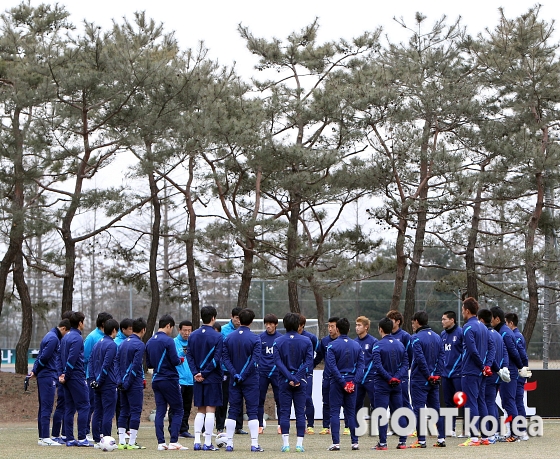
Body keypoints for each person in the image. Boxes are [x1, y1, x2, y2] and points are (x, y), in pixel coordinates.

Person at [222, 308, 263, 452]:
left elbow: (225, 358)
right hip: (250, 379)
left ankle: (229, 444)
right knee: (252, 411)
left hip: (234, 380)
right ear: (251, 321)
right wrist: (244, 374)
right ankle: (254, 444)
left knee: (233, 410)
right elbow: (255, 359)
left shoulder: (229, 337)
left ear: (239, 319)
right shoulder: (255, 338)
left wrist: (235, 374)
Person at [145, 314, 187, 451]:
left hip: (156, 379)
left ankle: (161, 442)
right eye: (172, 328)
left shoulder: (150, 341)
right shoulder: (169, 341)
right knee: (178, 409)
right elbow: (175, 360)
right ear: (168, 325)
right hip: (169, 378)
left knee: (160, 411)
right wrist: (181, 359)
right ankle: (174, 441)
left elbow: (149, 363)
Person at [274, 313, 314, 453]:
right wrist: (297, 377)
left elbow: (278, 362)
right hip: (301, 381)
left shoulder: (278, 341)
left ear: (284, 325)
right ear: (298, 325)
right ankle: (299, 444)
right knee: (300, 413)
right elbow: (309, 361)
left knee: (284, 412)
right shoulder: (306, 341)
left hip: (284, 381)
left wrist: (289, 377)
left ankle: (285, 445)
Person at [187, 306, 223, 451]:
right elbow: (216, 359)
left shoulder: (193, 335)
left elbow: (189, 355)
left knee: (200, 410)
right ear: (213, 318)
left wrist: (196, 373)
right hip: (212, 377)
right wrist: (205, 373)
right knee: (210, 410)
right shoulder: (218, 336)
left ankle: (196, 441)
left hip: (197, 378)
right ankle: (207, 442)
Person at [408, 311, 446, 448]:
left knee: (419, 409)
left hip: (420, 379)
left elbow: (419, 358)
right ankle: (441, 439)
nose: (412, 326)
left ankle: (422, 440)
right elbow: (442, 357)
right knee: (435, 409)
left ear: (417, 322)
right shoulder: (437, 337)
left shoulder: (416, 338)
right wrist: (436, 374)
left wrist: (427, 374)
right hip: (434, 379)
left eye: (412, 323)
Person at [30, 318, 71, 446]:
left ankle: (42, 437)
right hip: (48, 375)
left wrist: (34, 371)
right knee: (47, 406)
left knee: (43, 406)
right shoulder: (53, 338)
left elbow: (40, 356)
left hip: (45, 375)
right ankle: (46, 438)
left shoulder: (50, 335)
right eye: (67, 332)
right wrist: (36, 370)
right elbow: (44, 357)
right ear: (63, 328)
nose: (67, 336)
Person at [325, 318, 364, 451]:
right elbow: (361, 366)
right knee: (351, 413)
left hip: (337, 383)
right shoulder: (357, 345)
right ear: (348, 330)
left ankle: (336, 443)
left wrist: (342, 382)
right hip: (352, 383)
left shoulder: (332, 346)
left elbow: (332, 366)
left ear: (337, 329)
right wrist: (354, 382)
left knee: (335, 413)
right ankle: (355, 442)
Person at [371, 317, 409, 450]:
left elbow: (377, 365)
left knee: (381, 413)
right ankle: (403, 441)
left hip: (382, 384)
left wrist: (388, 378)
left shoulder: (377, 345)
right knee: (398, 411)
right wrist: (396, 377)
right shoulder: (400, 344)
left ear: (380, 329)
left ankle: (383, 443)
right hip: (397, 384)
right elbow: (405, 364)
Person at [460, 297, 494, 447]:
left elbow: (472, 350)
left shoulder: (468, 327)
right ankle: (485, 436)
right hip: (481, 372)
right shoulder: (484, 327)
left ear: (467, 311)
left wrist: (482, 365)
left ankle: (474, 437)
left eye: (462, 309)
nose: (461, 312)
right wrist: (487, 366)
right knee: (481, 401)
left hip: (470, 370)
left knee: (471, 402)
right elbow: (492, 347)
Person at [59, 311, 92, 446]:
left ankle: (70, 438)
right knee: (84, 406)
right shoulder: (77, 338)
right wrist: (67, 374)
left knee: (69, 407)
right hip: (75, 376)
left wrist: (62, 374)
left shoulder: (65, 337)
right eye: (83, 321)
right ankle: (82, 438)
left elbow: (61, 357)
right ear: (80, 323)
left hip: (67, 376)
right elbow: (72, 358)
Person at [491, 306, 523, 442]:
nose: (489, 321)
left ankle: (515, 434)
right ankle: (512, 432)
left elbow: (514, 352)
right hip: (505, 372)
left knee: (509, 401)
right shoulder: (501, 331)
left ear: (497, 319)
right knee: (507, 402)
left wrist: (520, 367)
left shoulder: (504, 333)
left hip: (508, 373)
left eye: (491, 318)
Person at [478, 308, 510, 445]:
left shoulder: (485, 334)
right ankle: (494, 432)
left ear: (481, 320)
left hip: (490, 373)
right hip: (497, 373)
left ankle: (491, 432)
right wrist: (503, 369)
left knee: (488, 402)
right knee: (491, 402)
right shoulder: (497, 334)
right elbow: (505, 353)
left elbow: (486, 354)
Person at [117, 317, 147, 450]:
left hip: (122, 382)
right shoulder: (140, 345)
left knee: (124, 410)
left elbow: (116, 363)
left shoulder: (123, 343)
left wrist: (119, 381)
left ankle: (122, 441)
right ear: (143, 330)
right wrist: (128, 382)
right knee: (135, 411)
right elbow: (135, 366)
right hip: (133, 383)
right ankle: (132, 442)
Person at [89, 318, 119, 447]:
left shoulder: (97, 343)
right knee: (108, 412)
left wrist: (92, 379)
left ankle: (96, 439)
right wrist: (100, 380)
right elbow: (106, 365)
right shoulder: (112, 344)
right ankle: (106, 440)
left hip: (97, 382)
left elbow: (90, 362)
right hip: (107, 383)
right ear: (113, 330)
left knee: (98, 411)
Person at [83, 311, 113, 440]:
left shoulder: (109, 338)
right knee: (91, 405)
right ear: (103, 324)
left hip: (106, 378)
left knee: (100, 407)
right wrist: (89, 376)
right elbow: (85, 357)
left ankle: (100, 432)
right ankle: (86, 431)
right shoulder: (92, 337)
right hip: (93, 376)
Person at [217, 307, 246, 434]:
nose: (238, 321)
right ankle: (220, 426)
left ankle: (238, 427)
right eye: (236, 318)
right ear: (232, 317)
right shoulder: (223, 330)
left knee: (238, 398)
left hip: (239, 371)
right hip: (225, 369)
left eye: (240, 318)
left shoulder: (244, 331)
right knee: (223, 398)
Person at [314, 317, 341, 435]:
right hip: (327, 376)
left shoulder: (343, 341)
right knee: (326, 401)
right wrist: (309, 367)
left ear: (338, 328)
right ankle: (326, 426)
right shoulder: (324, 341)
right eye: (328, 326)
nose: (330, 329)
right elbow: (318, 357)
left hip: (341, 377)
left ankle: (347, 427)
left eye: (332, 326)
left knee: (344, 402)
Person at [506, 312, 530, 441]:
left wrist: (523, 369)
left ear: (511, 323)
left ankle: (521, 431)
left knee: (517, 401)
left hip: (517, 374)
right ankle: (516, 430)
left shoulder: (516, 336)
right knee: (514, 402)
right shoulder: (516, 335)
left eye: (506, 323)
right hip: (517, 372)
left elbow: (522, 356)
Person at [51, 311, 74, 444]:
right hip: (63, 377)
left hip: (63, 375)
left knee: (67, 405)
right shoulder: (61, 338)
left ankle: (64, 434)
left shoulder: (65, 337)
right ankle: (56, 434)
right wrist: (61, 374)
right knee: (62, 405)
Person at [440, 310, 463, 437]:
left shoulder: (460, 333)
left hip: (458, 374)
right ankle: (451, 429)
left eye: (444, 319)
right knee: (449, 402)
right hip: (445, 374)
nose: (442, 321)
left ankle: (468, 429)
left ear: (452, 320)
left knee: (462, 402)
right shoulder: (442, 334)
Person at [258, 314, 282, 434]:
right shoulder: (260, 338)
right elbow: (257, 355)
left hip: (277, 373)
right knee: (260, 399)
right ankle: (260, 425)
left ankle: (281, 425)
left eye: (271, 324)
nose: (268, 326)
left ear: (276, 325)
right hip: (262, 372)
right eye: (266, 324)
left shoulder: (280, 338)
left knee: (280, 399)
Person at [171, 320, 194, 439]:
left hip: (191, 380)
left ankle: (184, 429)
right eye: (184, 330)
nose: (187, 333)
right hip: (178, 380)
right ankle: (173, 429)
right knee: (176, 406)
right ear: (179, 330)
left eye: (189, 330)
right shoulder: (173, 343)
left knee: (187, 406)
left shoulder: (193, 343)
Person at [386, 310, 413, 412]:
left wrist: (404, 369)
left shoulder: (405, 336)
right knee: (393, 403)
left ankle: (412, 424)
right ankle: (397, 425)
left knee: (404, 401)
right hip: (389, 375)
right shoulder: (387, 336)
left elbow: (410, 354)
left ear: (398, 322)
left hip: (401, 375)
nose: (388, 322)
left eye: (391, 320)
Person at [354, 316, 378, 425]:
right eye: (356, 325)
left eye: (359, 325)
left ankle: (378, 426)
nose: (357, 327)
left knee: (375, 402)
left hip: (370, 378)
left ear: (366, 327)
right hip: (358, 379)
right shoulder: (354, 342)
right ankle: (354, 426)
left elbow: (375, 360)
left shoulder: (373, 341)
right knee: (356, 403)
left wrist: (366, 373)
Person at [298, 315, 319, 435]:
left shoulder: (311, 338)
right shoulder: (291, 337)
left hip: (307, 373)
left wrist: (312, 365)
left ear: (302, 326)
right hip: (293, 373)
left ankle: (310, 425)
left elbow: (319, 352)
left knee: (307, 398)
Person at [114, 318, 133, 440]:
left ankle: (128, 428)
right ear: (123, 329)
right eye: (130, 329)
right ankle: (121, 429)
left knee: (130, 404)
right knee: (121, 405)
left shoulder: (131, 341)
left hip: (130, 378)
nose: (132, 331)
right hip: (120, 378)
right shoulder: (117, 342)